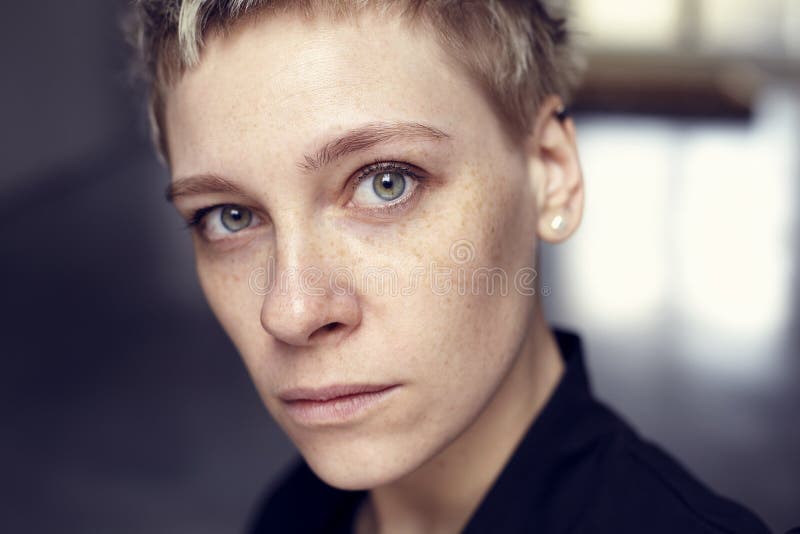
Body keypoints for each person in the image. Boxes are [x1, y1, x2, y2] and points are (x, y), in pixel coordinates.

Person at [127, 1, 772, 532]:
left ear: (552, 175)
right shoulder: (294, 515)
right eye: (228, 216)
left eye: (385, 182)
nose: (291, 311)